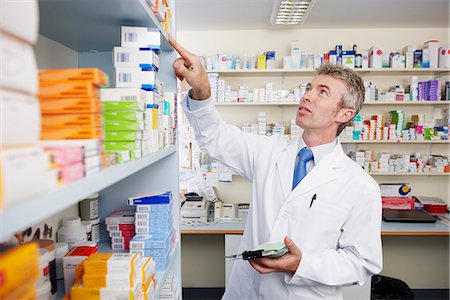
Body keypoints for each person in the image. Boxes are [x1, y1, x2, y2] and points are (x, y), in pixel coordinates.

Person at [170, 37, 382, 299]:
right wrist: (201, 89)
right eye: (309, 88)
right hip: (248, 291)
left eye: (322, 92)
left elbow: (362, 262)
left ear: (344, 115)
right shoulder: (268, 151)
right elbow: (215, 136)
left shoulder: (360, 186)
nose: (307, 95)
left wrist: (301, 263)